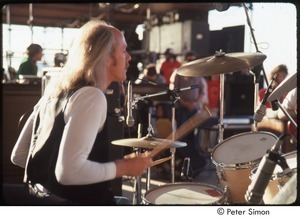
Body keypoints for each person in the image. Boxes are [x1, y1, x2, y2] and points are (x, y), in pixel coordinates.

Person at [10, 20, 153, 205]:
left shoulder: (52, 92)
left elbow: (20, 155)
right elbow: (68, 172)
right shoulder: (92, 97)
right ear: (107, 56)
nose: (129, 57)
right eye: (123, 50)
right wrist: (123, 168)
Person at [170, 51, 209, 178]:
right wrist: (185, 103)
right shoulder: (179, 73)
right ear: (185, 60)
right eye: (189, 59)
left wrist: (195, 103)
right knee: (182, 136)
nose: (191, 60)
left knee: (194, 138)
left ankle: (194, 165)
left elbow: (203, 92)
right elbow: (175, 91)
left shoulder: (199, 74)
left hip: (194, 109)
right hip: (182, 109)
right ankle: (183, 161)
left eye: (193, 58)